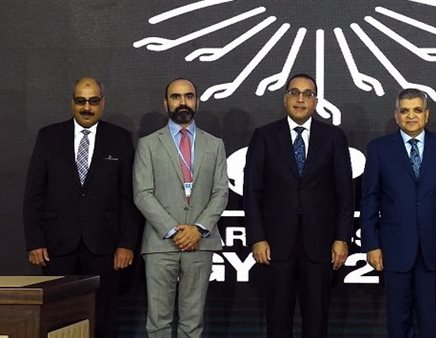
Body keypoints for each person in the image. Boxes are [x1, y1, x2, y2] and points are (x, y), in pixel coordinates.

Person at [23, 77, 138, 338]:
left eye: (93, 101)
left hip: (105, 248)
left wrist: (126, 244)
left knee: (104, 319)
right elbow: (34, 193)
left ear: (102, 103)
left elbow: (128, 197)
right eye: (81, 101)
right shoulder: (49, 136)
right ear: (72, 102)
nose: (87, 107)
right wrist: (35, 241)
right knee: (56, 319)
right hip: (56, 247)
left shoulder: (119, 139)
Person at [243, 73, 354, 338]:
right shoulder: (265, 136)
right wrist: (257, 238)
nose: (301, 99)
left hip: (320, 246)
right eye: (295, 92)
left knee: (316, 322)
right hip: (276, 246)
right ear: (285, 98)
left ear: (316, 101)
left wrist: (342, 238)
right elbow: (251, 192)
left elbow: (345, 194)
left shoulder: (333, 137)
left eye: (308, 94)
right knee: (278, 321)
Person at [360, 88, 436, 338]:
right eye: (404, 111)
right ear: (396, 115)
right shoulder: (378, 149)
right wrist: (372, 244)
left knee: (431, 321)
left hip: (435, 248)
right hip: (394, 249)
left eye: (417, 110)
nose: (411, 116)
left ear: (427, 115)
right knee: (398, 320)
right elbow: (369, 199)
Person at [133, 78, 229, 337]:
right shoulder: (148, 144)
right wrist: (174, 230)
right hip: (160, 243)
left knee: (193, 322)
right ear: (166, 103)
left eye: (188, 96)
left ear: (197, 101)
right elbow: (142, 194)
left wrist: (198, 229)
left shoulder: (215, 144)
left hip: (200, 242)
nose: (182, 102)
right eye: (176, 97)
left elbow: (221, 192)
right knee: (158, 323)